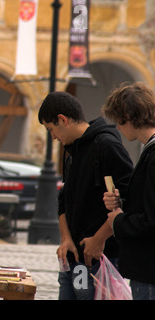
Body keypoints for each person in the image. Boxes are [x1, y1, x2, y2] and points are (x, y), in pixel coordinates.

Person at [38, 91, 133, 300]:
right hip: (72, 257)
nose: (53, 136)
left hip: (100, 258)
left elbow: (128, 201)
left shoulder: (107, 146)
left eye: (51, 129)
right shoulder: (71, 151)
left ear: (62, 119)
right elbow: (64, 199)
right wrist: (65, 239)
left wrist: (99, 240)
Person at [102, 82, 155, 300]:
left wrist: (118, 220)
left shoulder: (152, 156)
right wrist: (123, 204)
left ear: (127, 116)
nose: (117, 128)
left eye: (117, 120)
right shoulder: (149, 151)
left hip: (149, 268)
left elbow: (151, 220)